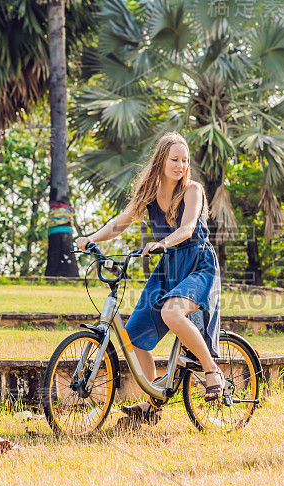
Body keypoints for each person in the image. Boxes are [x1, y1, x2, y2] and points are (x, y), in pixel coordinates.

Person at [76, 132, 223, 427]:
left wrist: (163, 243)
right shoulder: (150, 191)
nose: (181, 165)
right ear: (162, 160)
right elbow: (120, 222)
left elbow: (187, 228)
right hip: (168, 267)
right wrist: (90, 239)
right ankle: (154, 404)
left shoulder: (193, 190)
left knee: (171, 312)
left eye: (185, 160)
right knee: (133, 336)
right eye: (175, 159)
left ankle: (212, 371)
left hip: (198, 265)